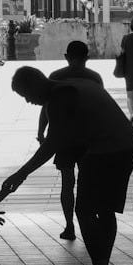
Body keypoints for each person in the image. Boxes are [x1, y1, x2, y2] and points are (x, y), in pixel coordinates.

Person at [1, 66, 133, 265]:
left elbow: (52, 143)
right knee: (106, 211)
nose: (28, 101)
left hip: (105, 149)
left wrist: (20, 174)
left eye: (25, 95)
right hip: (127, 145)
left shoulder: (58, 98)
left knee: (84, 211)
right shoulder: (74, 85)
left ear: (34, 85)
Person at [36, 41, 104, 241]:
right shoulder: (95, 78)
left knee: (67, 183)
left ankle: (69, 226)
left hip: (63, 138)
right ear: (87, 58)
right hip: (88, 138)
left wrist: (41, 132)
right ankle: (89, 223)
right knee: (88, 183)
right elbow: (98, 107)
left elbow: (45, 107)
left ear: (66, 56)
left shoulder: (56, 77)